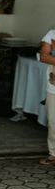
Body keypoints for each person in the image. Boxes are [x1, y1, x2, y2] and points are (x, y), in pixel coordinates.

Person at [38, 28, 55, 165]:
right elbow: (44, 56)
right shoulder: (52, 34)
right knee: (53, 121)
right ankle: (53, 153)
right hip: (53, 86)